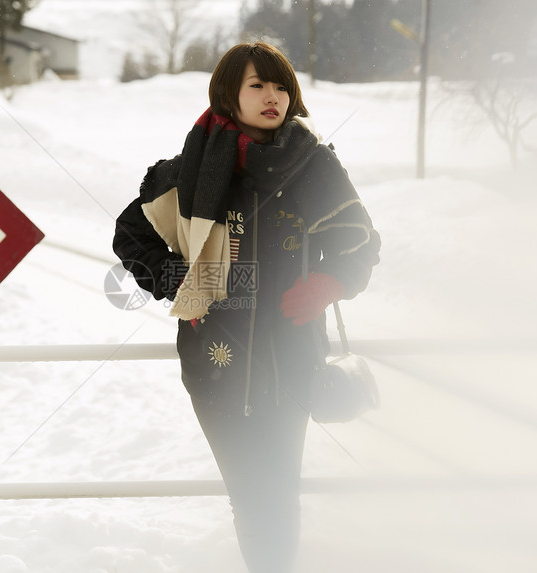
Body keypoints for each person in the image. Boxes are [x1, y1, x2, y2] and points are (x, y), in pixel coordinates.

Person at [112, 42, 380, 573]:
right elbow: (130, 235)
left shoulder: (313, 165)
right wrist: (183, 282)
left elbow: (360, 241)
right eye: (257, 85)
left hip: (290, 360)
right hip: (216, 366)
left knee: (277, 491)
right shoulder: (192, 167)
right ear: (229, 93)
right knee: (251, 491)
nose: (272, 96)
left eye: (281, 86)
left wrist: (329, 281)